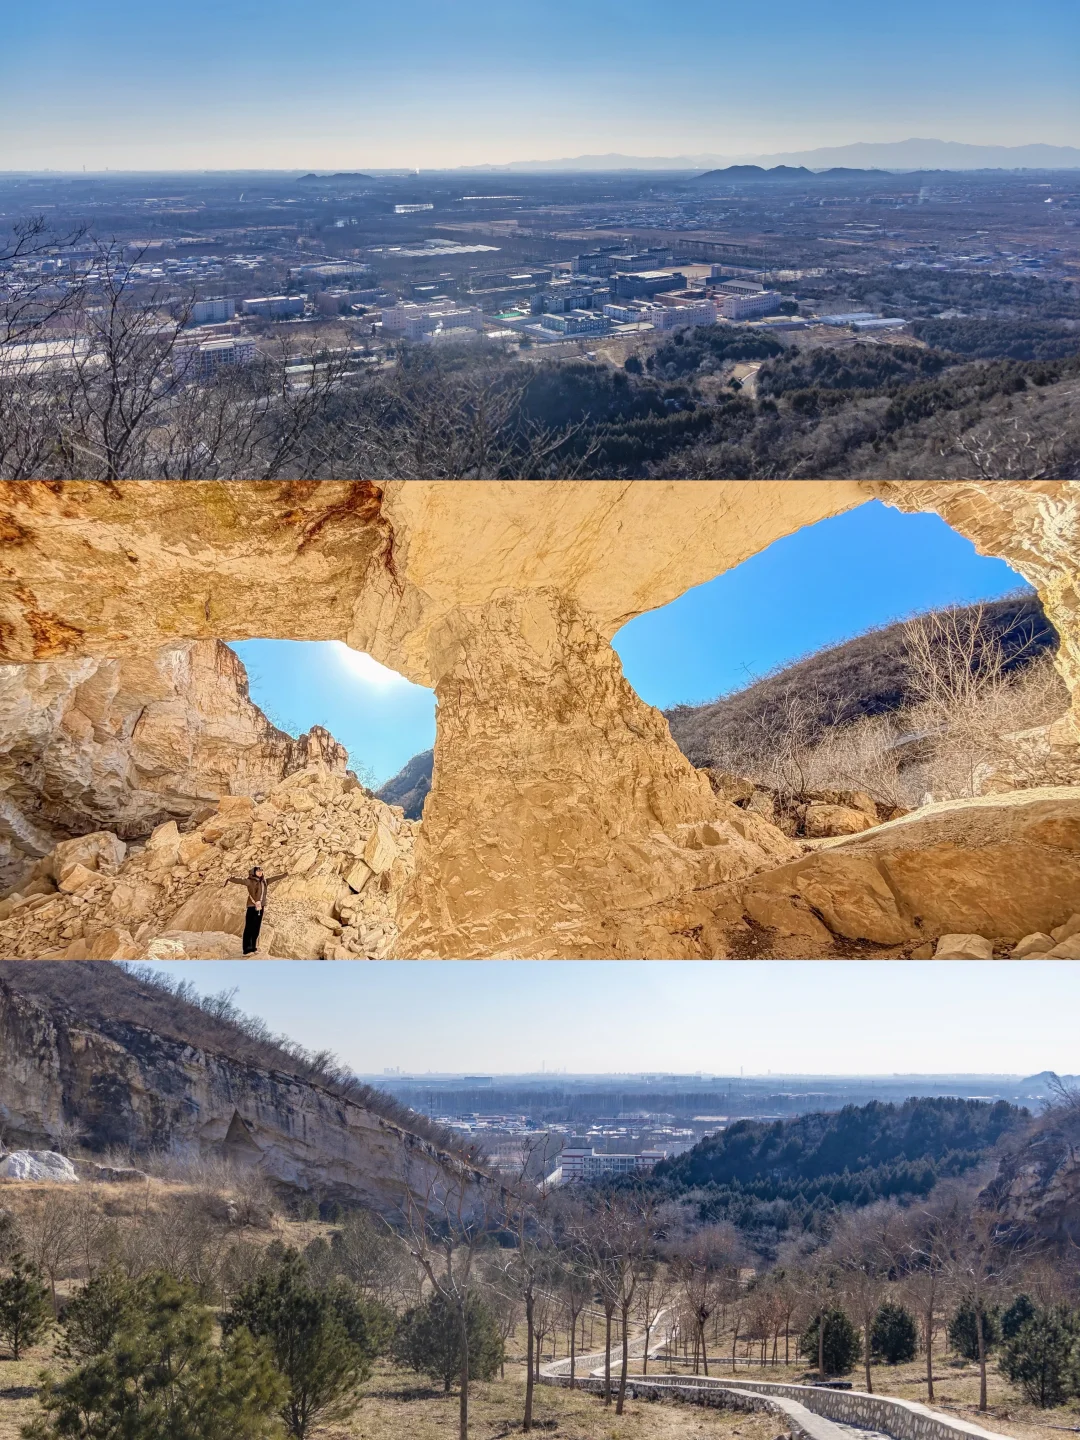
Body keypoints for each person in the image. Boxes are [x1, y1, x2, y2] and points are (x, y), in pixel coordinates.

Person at [227, 864, 285, 956]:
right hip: (252, 907)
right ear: (253, 872)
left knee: (256, 928)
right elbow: (241, 881)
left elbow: (274, 878)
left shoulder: (264, 881)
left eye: (261, 871)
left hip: (260, 907)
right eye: (258, 871)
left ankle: (253, 947)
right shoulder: (250, 881)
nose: (260, 873)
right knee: (249, 928)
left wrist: (285, 875)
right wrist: (230, 879)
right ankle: (246, 950)